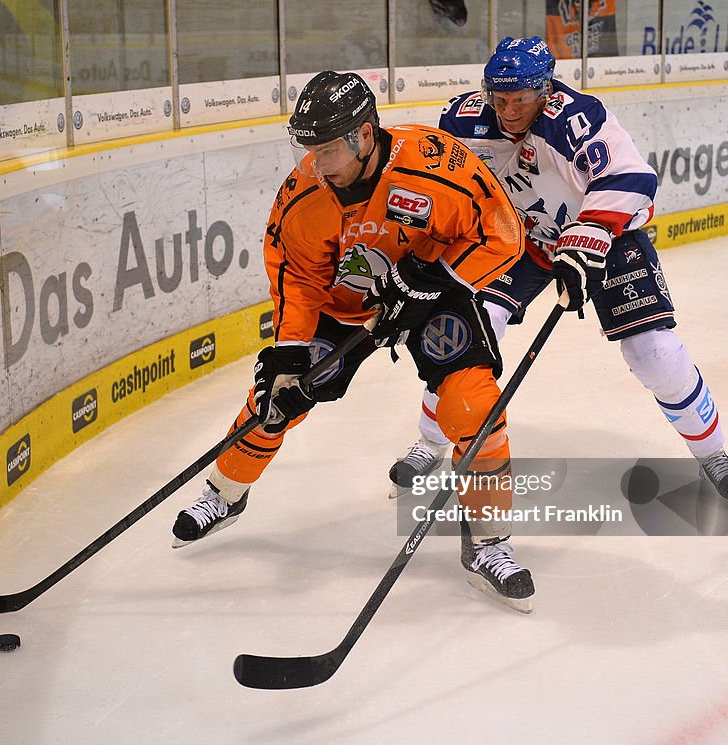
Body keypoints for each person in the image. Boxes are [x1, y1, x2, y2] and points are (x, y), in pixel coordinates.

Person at [171, 70, 536, 611]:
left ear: (364, 136)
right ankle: (224, 493)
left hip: (432, 296)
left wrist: (439, 279)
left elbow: (501, 233)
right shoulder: (306, 194)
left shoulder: (437, 164)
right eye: (310, 150)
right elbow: (297, 277)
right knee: (275, 402)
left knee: (474, 407)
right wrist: (290, 355)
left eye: (327, 151)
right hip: (343, 308)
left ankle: (487, 543)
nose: (317, 164)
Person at [389, 36, 728, 501]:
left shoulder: (576, 118)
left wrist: (583, 241)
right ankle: (430, 442)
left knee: (652, 351)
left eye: (520, 99)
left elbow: (630, 178)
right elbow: (441, 188)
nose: (509, 110)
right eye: (499, 99)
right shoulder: (462, 121)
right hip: (517, 240)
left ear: (544, 91)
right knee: (466, 333)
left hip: (605, 239)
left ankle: (712, 453)